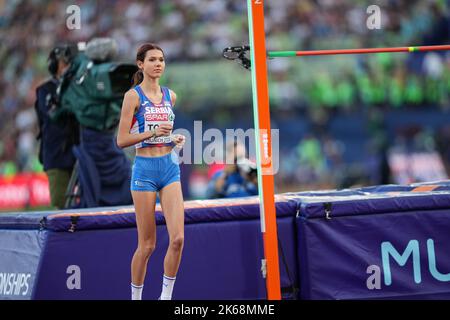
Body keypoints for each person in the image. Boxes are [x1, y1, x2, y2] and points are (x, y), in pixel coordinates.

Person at [116, 43, 186, 300]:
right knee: (147, 246)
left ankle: (165, 297)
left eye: (162, 60)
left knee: (177, 239)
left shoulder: (171, 96)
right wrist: (153, 132)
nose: (158, 64)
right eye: (153, 60)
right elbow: (122, 140)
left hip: (169, 168)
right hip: (144, 171)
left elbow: (164, 135)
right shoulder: (133, 97)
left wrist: (173, 139)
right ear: (140, 64)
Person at [34, 44, 78, 209]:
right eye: (63, 63)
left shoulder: (77, 88)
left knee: (90, 204)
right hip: (57, 155)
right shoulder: (44, 90)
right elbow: (53, 114)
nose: (68, 67)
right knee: (62, 204)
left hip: (81, 152)